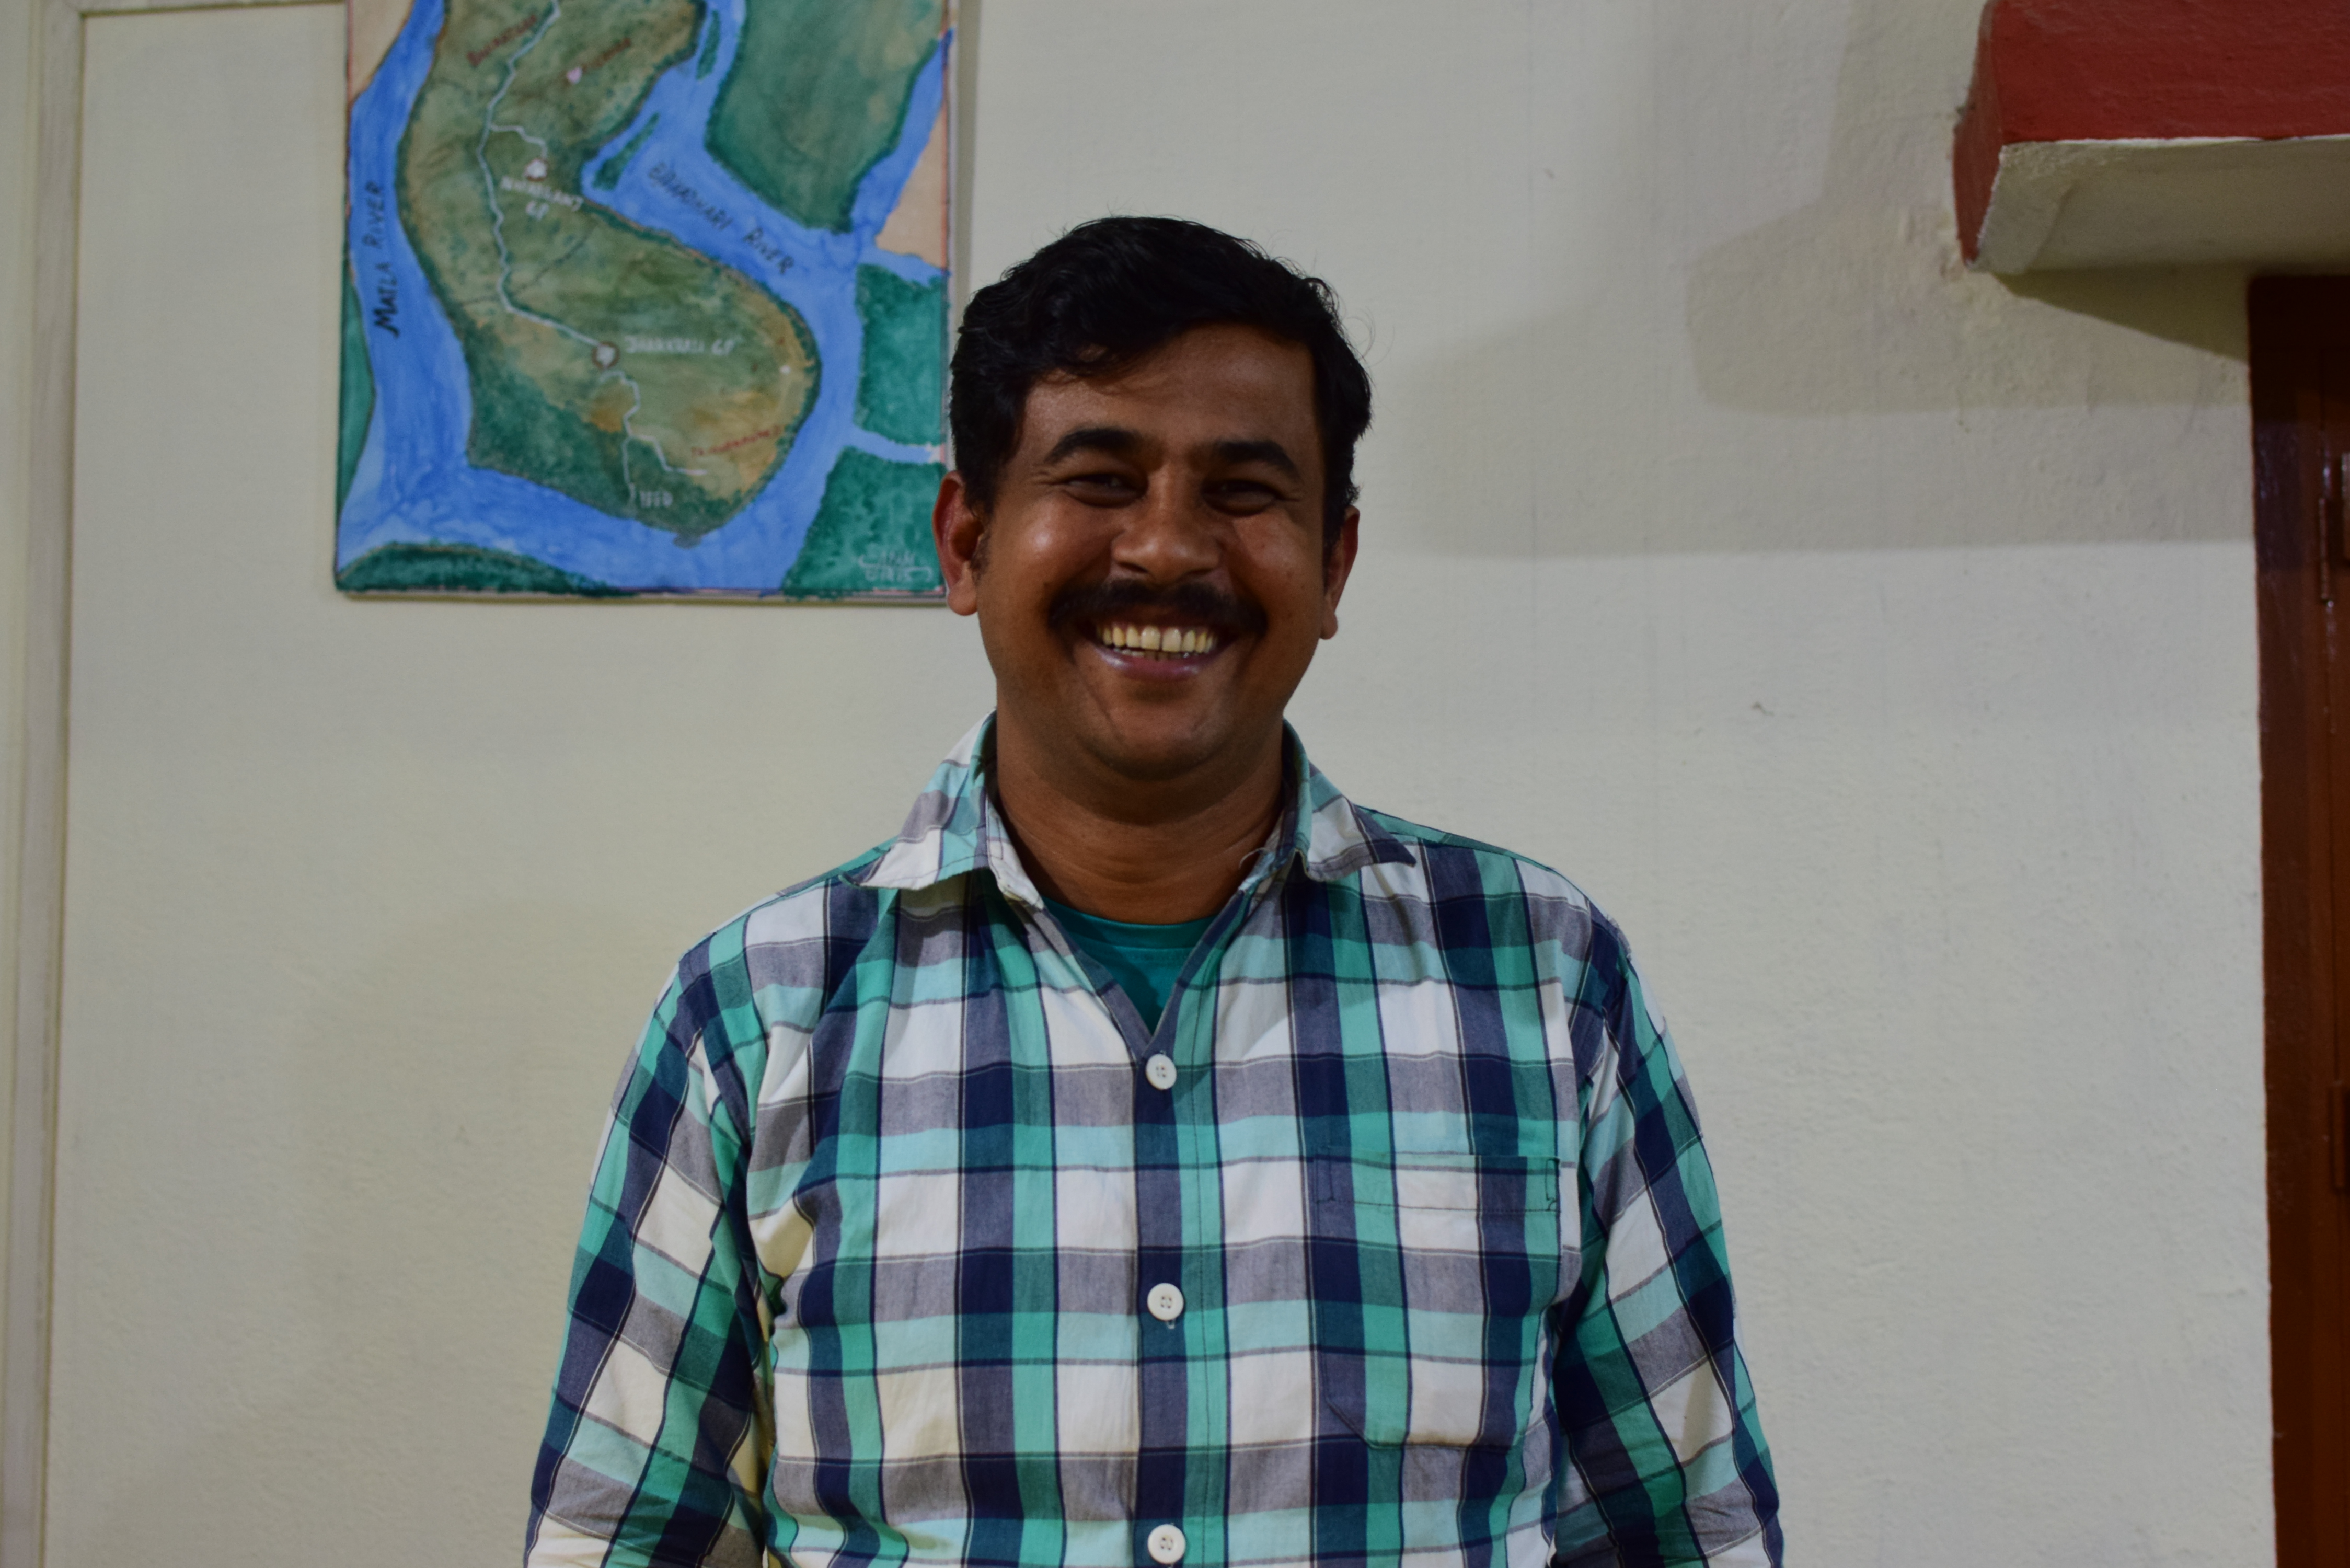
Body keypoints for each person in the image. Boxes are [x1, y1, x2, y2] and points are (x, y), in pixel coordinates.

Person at [524, 217, 1782, 1568]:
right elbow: (627, 1540)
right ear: (965, 542)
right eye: (1102, 476)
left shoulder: (1540, 978)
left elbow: (1679, 1529)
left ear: (1335, 563)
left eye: (1243, 491)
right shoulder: (755, 1012)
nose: (1170, 550)